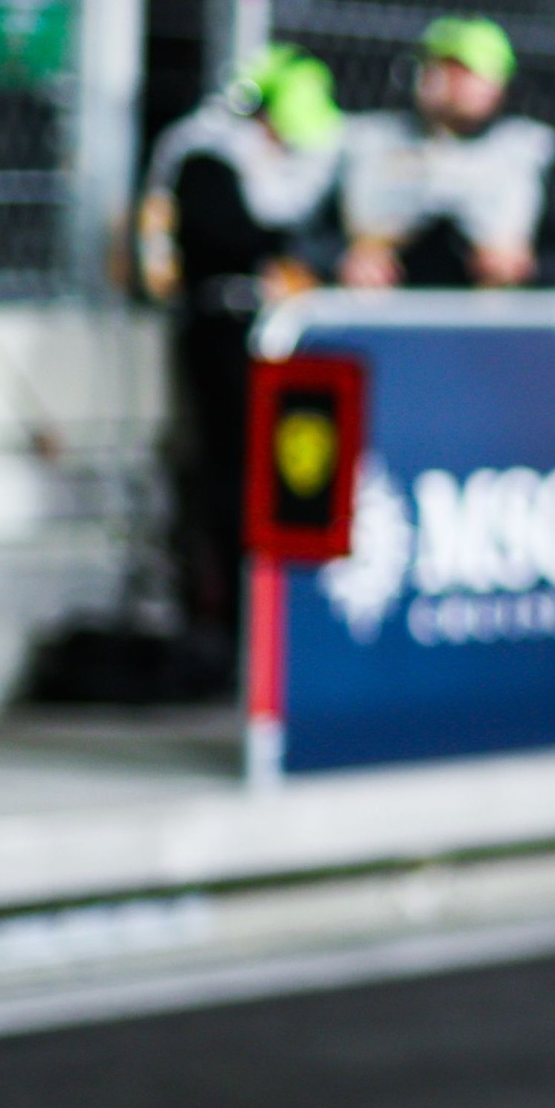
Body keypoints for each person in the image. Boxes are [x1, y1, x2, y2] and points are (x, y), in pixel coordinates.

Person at [138, 44, 344, 687]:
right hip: (222, 339)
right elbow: (228, 238)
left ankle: (276, 627)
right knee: (229, 483)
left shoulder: (267, 162)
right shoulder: (206, 154)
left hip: (269, 340)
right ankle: (229, 631)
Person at [336, 16, 555, 291]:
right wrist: (347, 261)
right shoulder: (369, 143)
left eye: (467, 71)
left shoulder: (536, 151)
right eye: (440, 67)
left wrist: (524, 267)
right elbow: (311, 240)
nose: (450, 82)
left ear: (498, 82)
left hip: (496, 321)